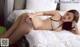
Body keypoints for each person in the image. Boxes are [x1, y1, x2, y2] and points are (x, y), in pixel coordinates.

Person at [0, 10, 79, 45]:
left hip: (29, 21)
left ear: (71, 21)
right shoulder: (57, 14)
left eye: (69, 18)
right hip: (30, 22)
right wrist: (33, 15)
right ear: (66, 12)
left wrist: (75, 23)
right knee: (10, 41)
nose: (66, 16)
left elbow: (78, 33)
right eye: (67, 14)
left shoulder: (62, 27)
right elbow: (43, 13)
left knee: (7, 35)